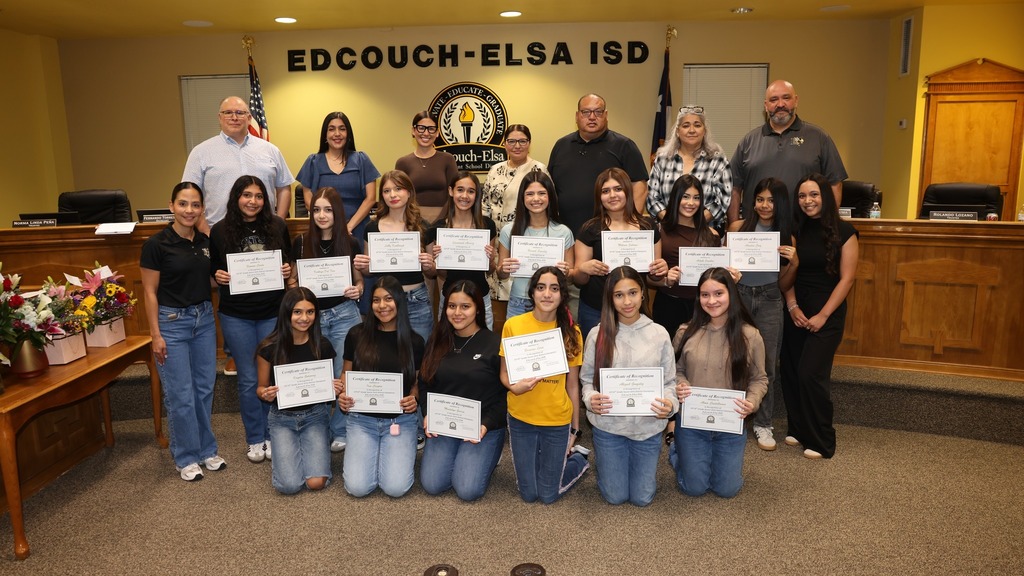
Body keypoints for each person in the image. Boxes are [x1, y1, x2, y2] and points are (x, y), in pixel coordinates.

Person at [140, 181, 223, 482]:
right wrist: (155, 334)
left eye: (195, 205)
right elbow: (149, 292)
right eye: (183, 204)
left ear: (202, 209)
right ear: (171, 205)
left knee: (204, 389)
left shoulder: (203, 242)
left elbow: (207, 281)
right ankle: (185, 455)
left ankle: (206, 449)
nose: (189, 210)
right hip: (171, 323)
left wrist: (223, 278)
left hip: (203, 320)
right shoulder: (156, 244)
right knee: (181, 394)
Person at [210, 175, 293, 464]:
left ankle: (273, 434)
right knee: (247, 378)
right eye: (247, 195)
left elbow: (289, 265)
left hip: (272, 312)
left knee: (270, 375)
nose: (253, 201)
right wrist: (218, 276)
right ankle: (255, 438)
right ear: (236, 198)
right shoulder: (219, 231)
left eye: (258, 196)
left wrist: (286, 271)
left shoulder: (278, 226)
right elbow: (214, 273)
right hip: (237, 315)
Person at [580, 267, 677, 506]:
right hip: (609, 428)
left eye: (632, 293)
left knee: (642, 498)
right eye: (619, 295)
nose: (627, 301)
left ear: (643, 293)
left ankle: (677, 452)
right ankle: (579, 461)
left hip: (648, 428)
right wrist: (590, 399)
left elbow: (670, 382)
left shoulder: (660, 334)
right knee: (615, 496)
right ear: (610, 299)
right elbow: (586, 379)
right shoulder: (597, 334)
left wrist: (670, 403)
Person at [780, 173, 859, 460]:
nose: (807, 201)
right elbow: (785, 278)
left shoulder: (846, 232)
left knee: (811, 374)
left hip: (827, 314)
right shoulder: (793, 230)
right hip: (797, 312)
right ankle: (799, 429)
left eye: (813, 194)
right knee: (791, 371)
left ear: (825, 197)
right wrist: (793, 307)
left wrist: (823, 315)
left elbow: (847, 280)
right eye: (802, 196)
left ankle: (823, 440)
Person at [671, 267, 768, 498]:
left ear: (731, 295)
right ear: (698, 298)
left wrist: (752, 402)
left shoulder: (750, 335)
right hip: (692, 424)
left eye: (718, 293)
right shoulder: (685, 331)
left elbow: (759, 378)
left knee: (727, 489)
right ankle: (677, 452)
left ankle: (699, 459)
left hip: (729, 425)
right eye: (705, 295)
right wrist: (680, 385)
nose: (711, 300)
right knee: (694, 488)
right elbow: (675, 371)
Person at [499, 267, 589, 504]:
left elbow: (572, 386)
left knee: (548, 496)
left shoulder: (572, 333)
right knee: (529, 495)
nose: (547, 294)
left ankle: (578, 459)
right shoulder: (513, 325)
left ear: (562, 295)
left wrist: (575, 430)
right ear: (532, 293)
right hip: (521, 417)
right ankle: (550, 462)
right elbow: (504, 374)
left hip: (556, 420)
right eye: (541, 288)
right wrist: (513, 387)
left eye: (554, 288)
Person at [418, 280, 507, 501]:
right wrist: (428, 413)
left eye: (465, 306)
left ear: (477, 308)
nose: (457, 313)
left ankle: (487, 453)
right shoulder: (437, 340)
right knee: (432, 484)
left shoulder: (495, 344)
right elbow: (425, 383)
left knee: (467, 490)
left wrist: (486, 425)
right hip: (445, 424)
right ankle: (461, 457)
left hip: (481, 426)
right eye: (451, 306)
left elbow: (505, 396)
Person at [726, 177, 798, 452]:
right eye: (759, 199)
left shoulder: (786, 236)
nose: (764, 205)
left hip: (769, 298)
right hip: (740, 296)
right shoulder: (736, 228)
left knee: (766, 364)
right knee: (734, 359)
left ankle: (763, 423)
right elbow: (724, 271)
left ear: (779, 203)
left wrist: (795, 263)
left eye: (770, 200)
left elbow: (784, 284)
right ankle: (732, 417)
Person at [337, 276, 425, 497]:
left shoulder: (414, 341)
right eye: (376, 300)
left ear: (399, 301)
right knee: (357, 488)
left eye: (388, 299)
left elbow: (416, 382)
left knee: (395, 488)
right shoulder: (356, 334)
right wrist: (344, 394)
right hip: (361, 420)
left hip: (399, 420)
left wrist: (413, 398)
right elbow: (346, 374)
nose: (382, 306)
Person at [291, 187, 364, 452]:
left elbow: (359, 282)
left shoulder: (350, 242)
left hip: (345, 313)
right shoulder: (300, 242)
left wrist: (358, 290)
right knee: (316, 374)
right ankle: (317, 428)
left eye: (328, 210)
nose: (322, 215)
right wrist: (291, 282)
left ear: (337, 213)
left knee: (345, 373)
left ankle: (341, 429)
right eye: (317, 210)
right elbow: (294, 283)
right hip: (312, 318)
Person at [255, 288, 341, 494]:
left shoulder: (323, 345)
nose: (304, 318)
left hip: (315, 416)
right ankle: (296, 450)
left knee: (316, 483)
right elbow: (260, 388)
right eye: (297, 312)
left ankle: (308, 446)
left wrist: (334, 388)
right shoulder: (268, 348)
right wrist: (265, 393)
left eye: (310, 312)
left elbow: (325, 385)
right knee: (288, 486)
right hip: (281, 418)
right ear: (286, 313)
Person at [729, 80, 847, 225]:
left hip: (805, 231)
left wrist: (829, 224)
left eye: (786, 98)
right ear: (766, 105)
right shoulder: (748, 141)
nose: (780, 104)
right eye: (774, 99)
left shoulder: (819, 138)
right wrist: (734, 228)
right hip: (757, 235)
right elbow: (734, 188)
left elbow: (835, 183)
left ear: (796, 101)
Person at [571, 167, 669, 341]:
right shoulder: (589, 229)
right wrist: (584, 269)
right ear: (599, 197)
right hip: (596, 310)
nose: (612, 195)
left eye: (618, 189)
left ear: (627, 191)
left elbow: (652, 278)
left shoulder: (648, 227)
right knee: (598, 362)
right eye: (605, 191)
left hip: (634, 309)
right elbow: (578, 279)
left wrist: (660, 270)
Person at [182, 96, 294, 233]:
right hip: (219, 232)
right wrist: (207, 233)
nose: (234, 117)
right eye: (228, 112)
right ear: (219, 117)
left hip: (265, 232)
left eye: (240, 113)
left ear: (249, 118)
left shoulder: (270, 150)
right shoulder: (201, 152)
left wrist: (278, 224)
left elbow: (284, 188)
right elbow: (190, 196)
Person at [353, 170, 438, 345]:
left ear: (409, 192)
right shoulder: (372, 227)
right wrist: (363, 266)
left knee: (420, 353)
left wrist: (429, 265)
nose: (392, 195)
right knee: (386, 353)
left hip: (417, 300)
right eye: (386, 191)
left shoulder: (423, 227)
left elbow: (432, 273)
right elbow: (369, 272)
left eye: (398, 189)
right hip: (384, 302)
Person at [547, 94, 649, 235]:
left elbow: (640, 187)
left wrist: (631, 224)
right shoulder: (561, 146)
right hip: (566, 231)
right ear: (577, 116)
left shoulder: (624, 146)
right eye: (586, 112)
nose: (592, 117)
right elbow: (550, 187)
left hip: (611, 232)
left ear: (606, 115)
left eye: (598, 112)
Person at [480, 124, 547, 310]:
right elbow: (485, 206)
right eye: (511, 141)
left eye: (522, 141)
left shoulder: (538, 169)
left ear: (529, 143)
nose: (517, 145)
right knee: (496, 301)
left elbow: (545, 204)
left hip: (524, 242)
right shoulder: (494, 170)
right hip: (495, 242)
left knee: (521, 295)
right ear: (504, 144)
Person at [496, 170, 575, 319]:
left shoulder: (563, 232)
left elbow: (571, 277)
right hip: (519, 302)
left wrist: (567, 271)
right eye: (530, 194)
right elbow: (500, 274)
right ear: (522, 198)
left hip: (552, 303)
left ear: (550, 196)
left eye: (542, 193)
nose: (536, 199)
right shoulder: (509, 230)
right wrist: (504, 269)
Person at [296, 111, 381, 246]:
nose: (337, 134)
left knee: (358, 265)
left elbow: (370, 198)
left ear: (348, 134)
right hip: (324, 229)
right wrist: (329, 226)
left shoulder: (361, 159)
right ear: (325, 134)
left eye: (342, 129)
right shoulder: (313, 162)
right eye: (331, 129)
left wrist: (349, 227)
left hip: (357, 228)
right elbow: (308, 200)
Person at [425, 171, 497, 328]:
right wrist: (437, 262)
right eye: (460, 190)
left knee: (484, 348)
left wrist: (491, 259)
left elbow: (490, 271)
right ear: (451, 191)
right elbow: (435, 274)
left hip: (480, 297)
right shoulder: (437, 229)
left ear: (476, 195)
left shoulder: (487, 226)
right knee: (448, 348)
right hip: (450, 299)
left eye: (471, 191)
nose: (465, 196)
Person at [646, 106, 732, 235]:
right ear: (677, 131)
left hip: (705, 233)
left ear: (705, 130)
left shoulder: (717, 160)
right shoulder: (662, 159)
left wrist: (693, 226)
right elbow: (652, 198)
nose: (691, 130)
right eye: (686, 126)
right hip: (668, 234)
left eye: (697, 125)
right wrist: (672, 224)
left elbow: (722, 200)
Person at [654, 174, 721, 340]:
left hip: (701, 308)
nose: (691, 203)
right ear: (676, 198)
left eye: (696, 198)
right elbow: (648, 277)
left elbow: (717, 277)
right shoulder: (660, 231)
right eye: (685, 197)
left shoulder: (712, 235)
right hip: (668, 305)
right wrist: (665, 280)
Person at [395, 111, 459, 225]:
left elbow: (454, 193)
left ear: (437, 133)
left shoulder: (448, 159)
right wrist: (416, 221)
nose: (426, 133)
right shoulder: (402, 162)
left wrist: (439, 221)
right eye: (421, 128)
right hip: (412, 221)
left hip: (444, 220)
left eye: (431, 129)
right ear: (413, 131)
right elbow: (399, 196)